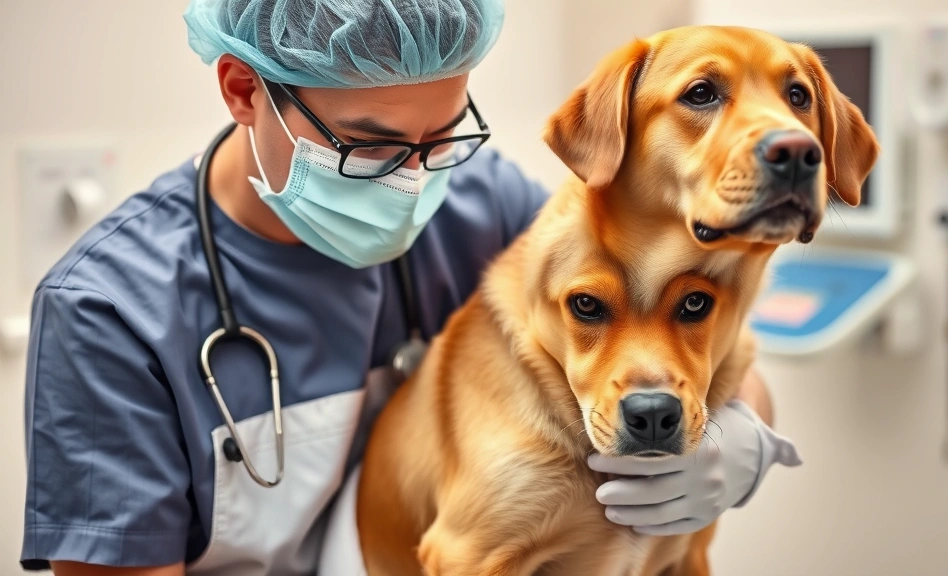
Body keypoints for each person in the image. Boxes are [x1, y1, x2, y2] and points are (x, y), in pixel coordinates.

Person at [20, 1, 801, 574]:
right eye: (370, 147)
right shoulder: (109, 313)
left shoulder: (479, 203)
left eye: (443, 135)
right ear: (243, 91)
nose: (415, 181)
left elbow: (668, 322)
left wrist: (743, 435)